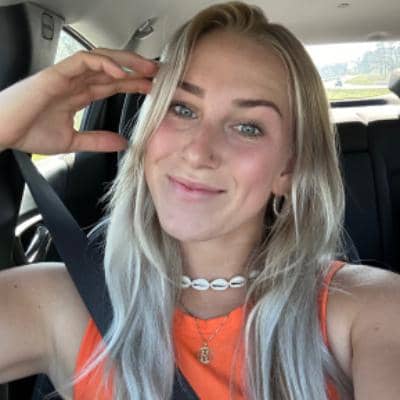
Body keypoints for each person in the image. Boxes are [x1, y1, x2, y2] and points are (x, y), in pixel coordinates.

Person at [0, 2, 400, 399]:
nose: (197, 152)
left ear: (288, 169)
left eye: (248, 127)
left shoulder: (368, 310)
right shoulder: (62, 302)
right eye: (182, 108)